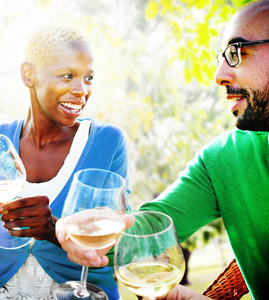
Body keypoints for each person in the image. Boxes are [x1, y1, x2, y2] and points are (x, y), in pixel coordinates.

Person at [56, 1, 269, 299]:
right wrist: (114, 224)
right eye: (222, 58)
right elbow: (153, 225)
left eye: (238, 53)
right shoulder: (223, 158)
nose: (219, 75)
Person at [0, 25, 130, 300]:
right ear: (28, 75)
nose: (82, 90)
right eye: (68, 76)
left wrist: (54, 228)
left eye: (88, 78)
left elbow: (119, 238)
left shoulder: (107, 141)